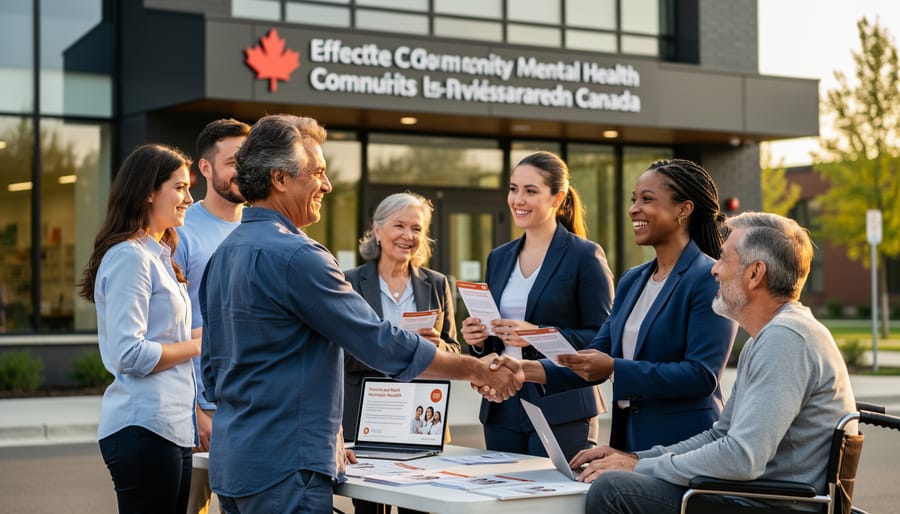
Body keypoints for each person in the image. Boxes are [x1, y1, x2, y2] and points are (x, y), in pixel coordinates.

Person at [198, 113, 523, 513]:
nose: (328, 185)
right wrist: (474, 369)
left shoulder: (223, 255)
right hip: (286, 470)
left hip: (235, 467)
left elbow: (211, 375)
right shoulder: (298, 256)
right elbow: (379, 341)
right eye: (317, 172)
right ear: (280, 178)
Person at [572, 212, 857, 513]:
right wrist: (636, 459)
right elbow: (721, 435)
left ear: (755, 273)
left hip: (772, 506)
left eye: (723, 259)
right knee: (615, 478)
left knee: (613, 489)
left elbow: (742, 458)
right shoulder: (771, 336)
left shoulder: (785, 339)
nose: (714, 271)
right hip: (751, 498)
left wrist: (639, 470)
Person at [532, 159, 739, 453]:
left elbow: (701, 375)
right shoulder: (632, 280)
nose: (633, 209)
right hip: (628, 441)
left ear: (684, 209)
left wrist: (616, 367)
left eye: (647, 199)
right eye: (633, 200)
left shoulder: (708, 279)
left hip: (685, 446)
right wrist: (524, 370)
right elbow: (596, 355)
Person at [460, 150, 615, 461]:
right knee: (504, 502)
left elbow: (603, 339)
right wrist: (477, 340)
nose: (518, 199)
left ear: (557, 198)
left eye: (531, 191)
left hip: (562, 406)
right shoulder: (499, 257)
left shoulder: (584, 255)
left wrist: (536, 333)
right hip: (502, 404)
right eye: (513, 188)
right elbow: (495, 337)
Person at [77, 144, 200, 513]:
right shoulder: (130, 257)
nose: (189, 198)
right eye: (179, 187)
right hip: (144, 427)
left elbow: (167, 338)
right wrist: (198, 346)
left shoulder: (159, 256)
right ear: (148, 191)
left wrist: (204, 338)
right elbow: (130, 354)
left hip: (171, 428)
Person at [173, 118, 250, 514]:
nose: (243, 170)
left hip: (252, 407)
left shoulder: (261, 227)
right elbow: (172, 327)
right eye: (233, 161)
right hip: (204, 409)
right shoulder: (184, 231)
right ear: (205, 169)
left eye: (249, 160)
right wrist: (197, 409)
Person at [342, 191, 460, 439]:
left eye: (416, 228)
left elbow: (454, 350)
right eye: (399, 226)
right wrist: (399, 347)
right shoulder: (348, 283)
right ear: (377, 230)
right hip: (366, 414)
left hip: (423, 414)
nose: (408, 236)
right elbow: (338, 353)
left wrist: (435, 347)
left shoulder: (437, 283)